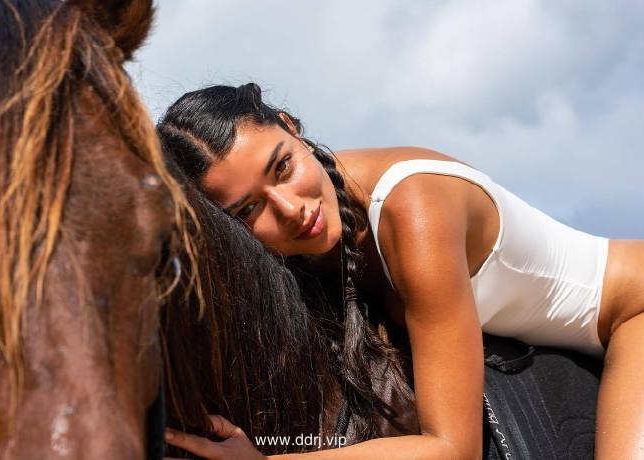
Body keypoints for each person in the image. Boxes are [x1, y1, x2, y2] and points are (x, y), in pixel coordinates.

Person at [156, 83, 644, 459]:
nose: (291, 210)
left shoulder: (413, 208)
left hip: (632, 316)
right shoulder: (297, 248)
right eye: (248, 211)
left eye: (282, 168)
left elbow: (452, 448)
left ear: (290, 125)